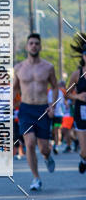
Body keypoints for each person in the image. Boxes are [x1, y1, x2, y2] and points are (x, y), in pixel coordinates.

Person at [13, 33, 57, 191]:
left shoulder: (48, 67)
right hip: (26, 109)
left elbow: (55, 86)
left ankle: (47, 156)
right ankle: (36, 178)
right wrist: (11, 104)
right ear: (27, 46)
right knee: (30, 143)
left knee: (44, 147)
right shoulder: (18, 68)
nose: (33, 46)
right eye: (31, 43)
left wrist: (52, 105)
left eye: (36, 43)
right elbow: (15, 88)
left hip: (43, 108)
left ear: (40, 46)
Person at [65, 32, 86, 175]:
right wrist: (78, 96)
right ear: (83, 56)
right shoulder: (77, 74)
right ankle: (83, 160)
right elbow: (66, 94)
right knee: (84, 151)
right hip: (81, 113)